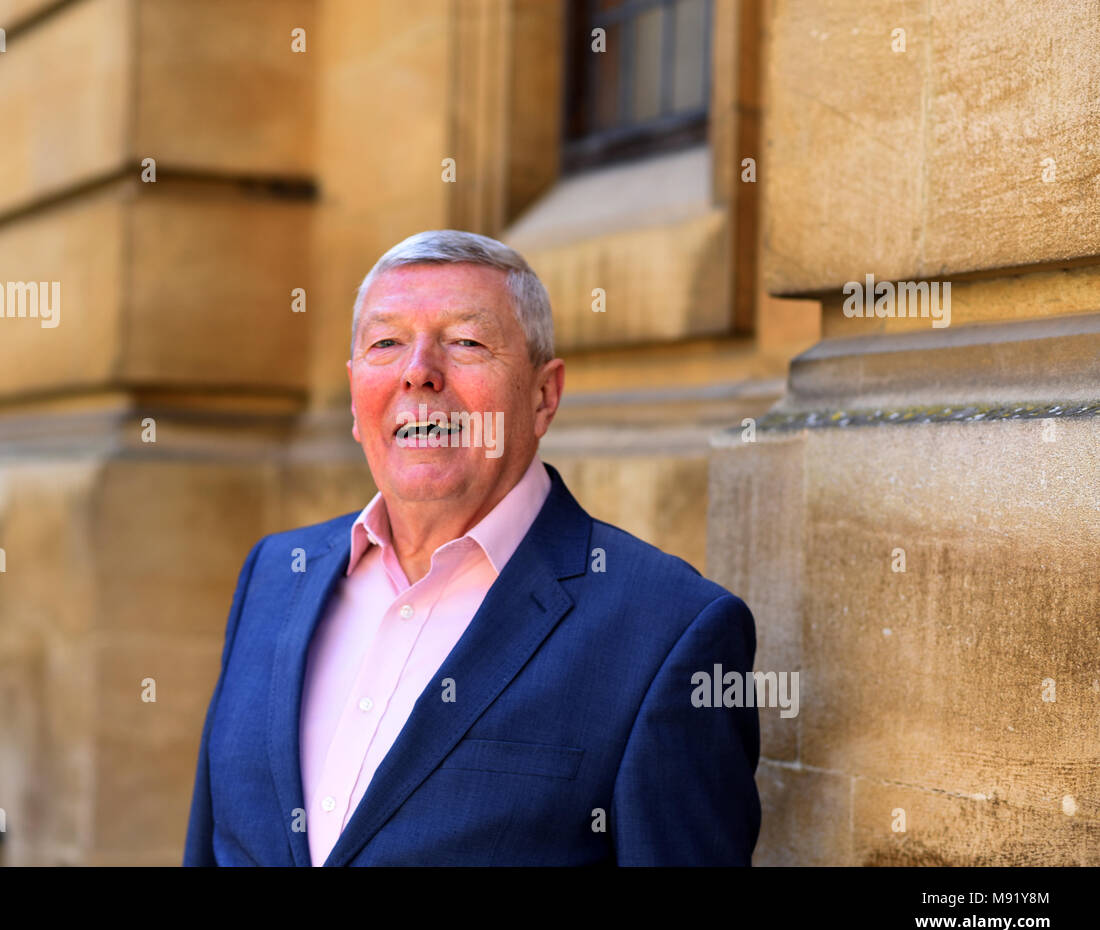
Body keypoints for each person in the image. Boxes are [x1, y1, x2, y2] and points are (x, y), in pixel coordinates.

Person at [183, 229, 760, 866]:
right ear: (354, 395)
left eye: (467, 342)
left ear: (544, 396)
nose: (418, 372)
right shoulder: (274, 575)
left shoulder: (667, 633)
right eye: (386, 342)